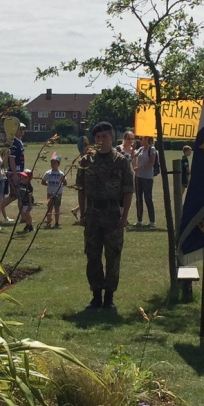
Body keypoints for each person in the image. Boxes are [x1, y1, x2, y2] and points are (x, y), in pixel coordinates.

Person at [76, 121, 134, 310]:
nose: (101, 140)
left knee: (113, 256)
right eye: (98, 137)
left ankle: (109, 297)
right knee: (92, 255)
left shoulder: (121, 161)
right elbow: (81, 188)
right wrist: (82, 212)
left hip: (112, 214)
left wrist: (124, 216)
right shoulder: (86, 161)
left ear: (112, 138)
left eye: (105, 137)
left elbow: (128, 190)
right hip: (92, 212)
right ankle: (96, 295)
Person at [1, 122, 26, 222]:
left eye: (24, 129)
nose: (22, 131)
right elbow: (11, 159)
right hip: (15, 172)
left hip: (20, 172)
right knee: (14, 196)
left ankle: (23, 217)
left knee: (20, 195)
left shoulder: (19, 141)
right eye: (20, 129)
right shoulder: (14, 143)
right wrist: (15, 174)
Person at [133, 135, 156, 227]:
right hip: (138, 177)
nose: (140, 140)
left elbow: (151, 163)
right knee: (138, 199)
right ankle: (139, 220)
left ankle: (152, 221)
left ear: (147, 139)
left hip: (147, 178)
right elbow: (133, 156)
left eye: (142, 139)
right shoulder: (140, 149)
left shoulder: (152, 149)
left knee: (148, 198)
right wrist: (133, 149)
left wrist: (140, 168)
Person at [41, 155, 66, 228]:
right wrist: (49, 185)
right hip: (50, 193)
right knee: (49, 208)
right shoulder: (48, 173)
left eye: (54, 163)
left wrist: (62, 182)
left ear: (58, 164)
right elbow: (43, 181)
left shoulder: (61, 174)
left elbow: (65, 183)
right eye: (52, 163)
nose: (53, 165)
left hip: (58, 193)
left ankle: (57, 223)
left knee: (57, 208)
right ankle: (48, 222)